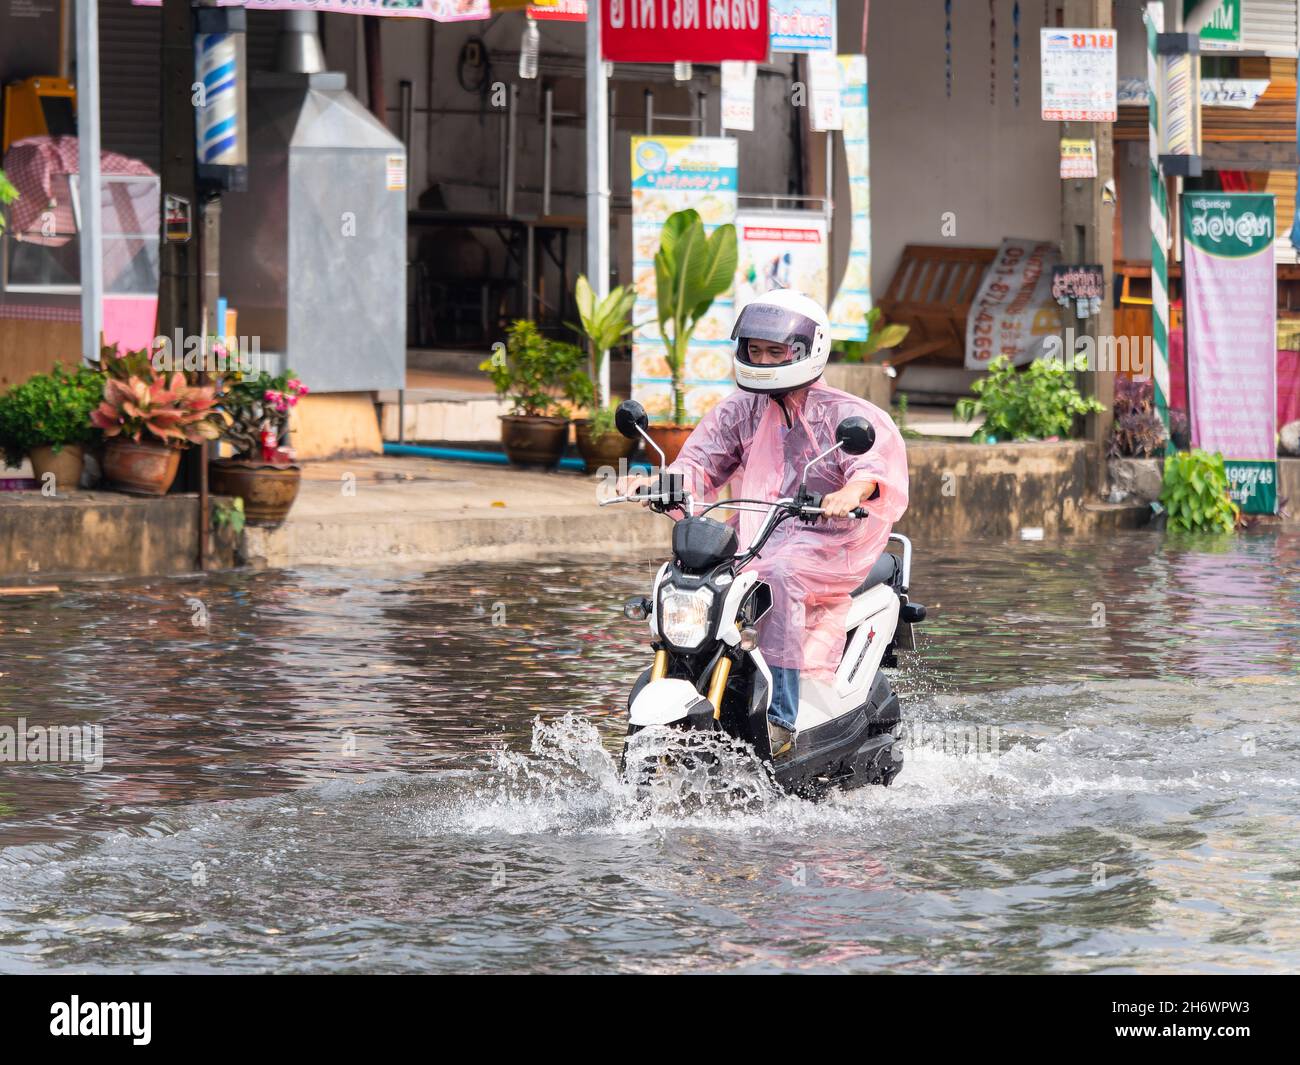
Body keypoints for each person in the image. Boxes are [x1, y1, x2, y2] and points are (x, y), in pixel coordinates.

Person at [618, 290, 909, 758]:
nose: (763, 359)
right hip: (761, 531)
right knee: (694, 573)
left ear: (805, 351)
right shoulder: (740, 410)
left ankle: (781, 718)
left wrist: (848, 495)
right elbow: (700, 463)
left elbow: (872, 471)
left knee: (778, 577)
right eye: (756, 350)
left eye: (776, 351)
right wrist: (660, 481)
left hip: (831, 538)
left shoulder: (845, 415)